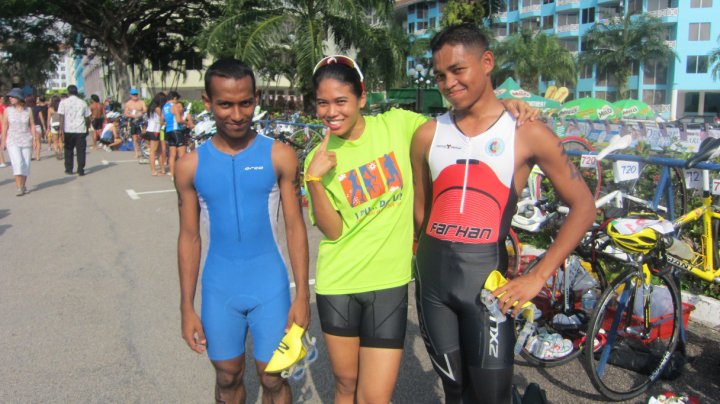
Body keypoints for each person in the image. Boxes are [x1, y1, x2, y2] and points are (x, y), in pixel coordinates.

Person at [303, 55, 536, 403]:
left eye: (340, 101)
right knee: (345, 386)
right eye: (323, 103)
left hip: (389, 282)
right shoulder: (317, 159)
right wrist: (313, 180)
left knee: (375, 398)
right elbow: (333, 231)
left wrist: (502, 104)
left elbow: (457, 124)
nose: (331, 111)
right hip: (338, 282)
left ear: (361, 98)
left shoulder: (397, 125)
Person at [410, 24, 596, 403]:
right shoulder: (427, 134)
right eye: (440, 75)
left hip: (486, 286)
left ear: (487, 62)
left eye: (458, 70)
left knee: (491, 397)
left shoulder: (527, 132)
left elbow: (584, 207)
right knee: (454, 392)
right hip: (433, 285)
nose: (448, 83)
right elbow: (421, 211)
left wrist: (537, 276)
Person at [175, 58, 310, 403]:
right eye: (225, 104)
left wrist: (301, 296)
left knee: (273, 377)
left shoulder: (280, 155)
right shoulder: (189, 165)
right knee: (227, 376)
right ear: (207, 102)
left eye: (245, 103)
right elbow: (189, 237)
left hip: (269, 284)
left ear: (256, 98)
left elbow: (295, 227)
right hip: (220, 286)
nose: (237, 114)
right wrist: (186, 306)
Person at [1, 88, 37, 195]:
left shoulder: (28, 110)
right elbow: (4, 126)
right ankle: (19, 187)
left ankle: (23, 186)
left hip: (26, 140)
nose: (10, 98)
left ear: (19, 98)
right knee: (18, 162)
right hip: (12, 140)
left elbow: (32, 125)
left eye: (12, 97)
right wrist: (3, 141)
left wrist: (34, 139)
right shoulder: (8, 110)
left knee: (26, 164)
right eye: (10, 97)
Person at [58, 84, 91, 176]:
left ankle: (69, 169)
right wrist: (87, 127)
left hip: (68, 129)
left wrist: (61, 129)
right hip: (80, 129)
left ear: (68, 93)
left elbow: (61, 116)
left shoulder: (63, 103)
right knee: (81, 150)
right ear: (77, 92)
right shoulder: (83, 102)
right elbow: (88, 117)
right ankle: (80, 169)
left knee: (68, 150)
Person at [163, 91, 186, 177]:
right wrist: (186, 122)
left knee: (172, 155)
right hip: (176, 130)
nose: (177, 102)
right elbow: (179, 120)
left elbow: (162, 120)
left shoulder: (164, 107)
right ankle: (182, 175)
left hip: (168, 131)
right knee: (182, 155)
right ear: (174, 98)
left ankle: (172, 174)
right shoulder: (174, 106)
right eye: (177, 100)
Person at [146, 92, 166, 175]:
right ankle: (153, 170)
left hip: (152, 129)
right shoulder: (157, 109)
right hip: (155, 130)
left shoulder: (151, 108)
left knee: (159, 151)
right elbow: (162, 119)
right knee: (153, 151)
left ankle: (162, 169)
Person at [124, 88, 146, 159]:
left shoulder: (141, 102)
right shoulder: (128, 104)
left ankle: (144, 150)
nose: (135, 96)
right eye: (133, 94)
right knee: (135, 138)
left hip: (141, 120)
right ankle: (136, 153)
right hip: (133, 121)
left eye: (136, 94)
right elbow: (126, 113)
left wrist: (141, 112)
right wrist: (132, 115)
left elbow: (145, 109)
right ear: (130, 95)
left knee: (143, 135)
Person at [26, 96, 44, 161]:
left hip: (29, 127)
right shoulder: (37, 108)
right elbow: (41, 118)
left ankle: (30, 156)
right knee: (38, 141)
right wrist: (44, 126)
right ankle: (38, 156)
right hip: (37, 126)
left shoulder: (26, 109)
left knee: (29, 142)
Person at [0, 97, 7, 168]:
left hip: (2, 128)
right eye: (2, 99)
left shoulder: (4, 107)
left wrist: (3, 130)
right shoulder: (4, 107)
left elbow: (1, 119)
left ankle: (2, 162)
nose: (3, 100)